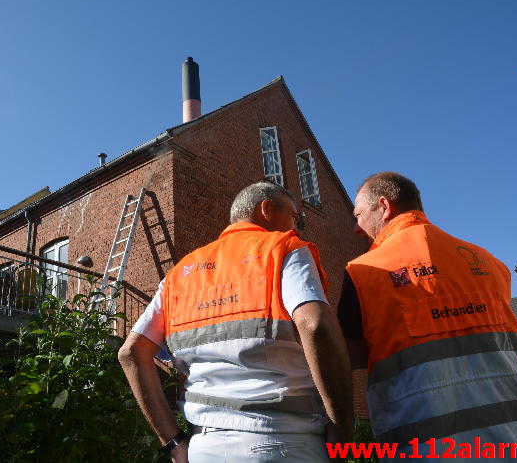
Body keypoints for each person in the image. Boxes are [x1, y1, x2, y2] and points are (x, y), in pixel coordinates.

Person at [119, 181, 353, 463]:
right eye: (295, 217)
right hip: (285, 441)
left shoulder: (178, 275)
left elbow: (131, 353)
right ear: (266, 209)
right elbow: (316, 324)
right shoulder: (283, 248)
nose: (298, 227)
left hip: (204, 448)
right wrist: (342, 431)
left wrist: (173, 443)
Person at [338, 172, 517, 460]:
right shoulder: (489, 263)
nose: (356, 229)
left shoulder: (363, 273)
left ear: (384, 207)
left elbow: (347, 357)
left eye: (358, 215)